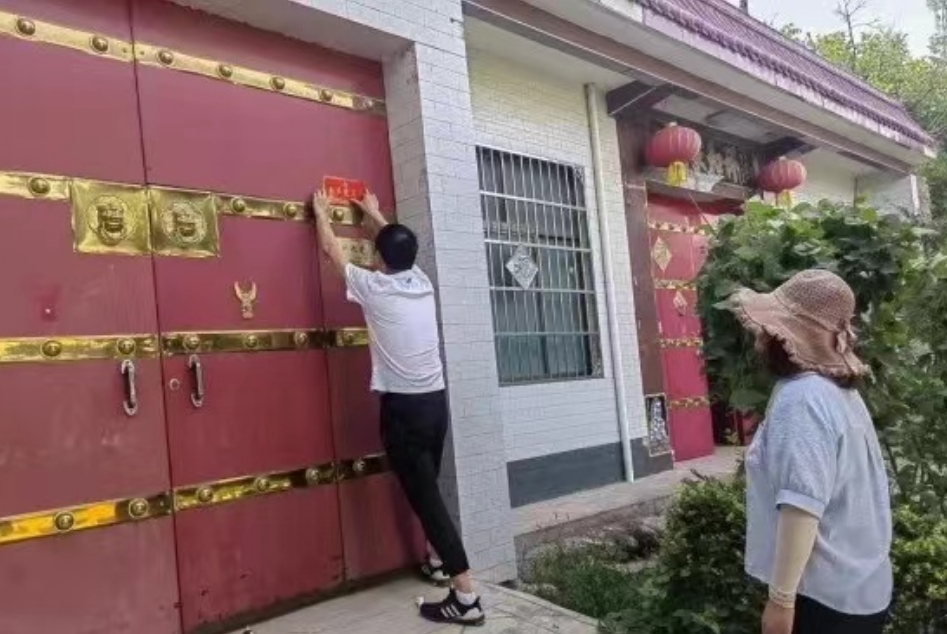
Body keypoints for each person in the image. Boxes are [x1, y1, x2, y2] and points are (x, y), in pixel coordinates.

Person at [312, 188, 485, 626]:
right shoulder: (421, 282)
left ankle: (466, 597)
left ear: (379, 257)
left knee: (427, 500)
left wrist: (321, 214)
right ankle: (439, 562)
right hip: (435, 405)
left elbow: (332, 251)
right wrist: (373, 212)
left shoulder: (374, 288)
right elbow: (393, 242)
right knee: (429, 488)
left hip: (404, 413)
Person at [729, 269, 892, 634]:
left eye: (768, 330)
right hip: (861, 592)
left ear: (786, 337)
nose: (760, 338)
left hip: (820, 598)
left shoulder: (802, 398)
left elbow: (801, 505)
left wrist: (781, 601)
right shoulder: (840, 394)